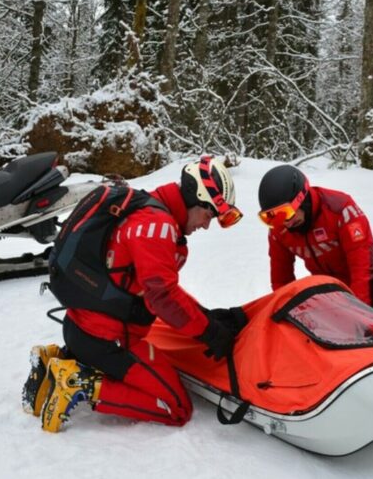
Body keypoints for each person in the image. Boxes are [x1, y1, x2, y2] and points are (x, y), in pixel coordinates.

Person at [22, 156, 248, 433]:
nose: (206, 224)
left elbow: (159, 288)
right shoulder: (158, 225)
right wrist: (209, 331)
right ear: (195, 199)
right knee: (176, 407)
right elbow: (162, 296)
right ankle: (78, 383)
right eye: (209, 214)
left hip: (83, 328)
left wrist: (206, 317)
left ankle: (55, 361)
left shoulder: (146, 207)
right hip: (111, 340)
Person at [256, 165, 373, 326]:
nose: (285, 222)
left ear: (302, 199)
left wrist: (359, 318)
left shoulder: (340, 209)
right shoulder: (279, 230)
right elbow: (281, 280)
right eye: (271, 216)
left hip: (370, 283)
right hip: (331, 290)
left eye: (286, 212)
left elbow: (362, 268)